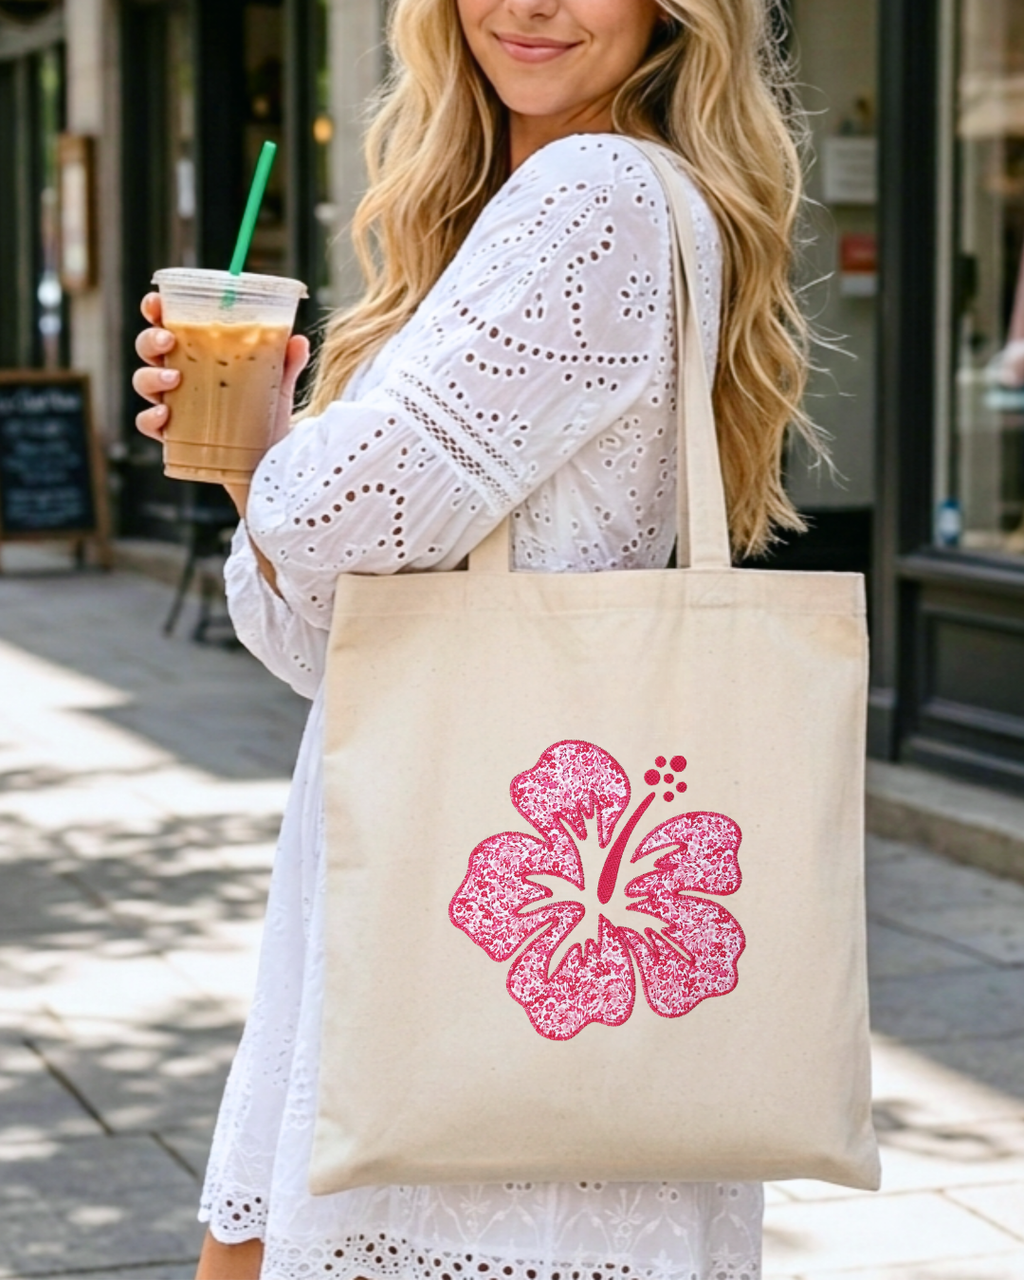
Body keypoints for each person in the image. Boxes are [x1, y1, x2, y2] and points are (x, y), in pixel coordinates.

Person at [134, 0, 819, 1275]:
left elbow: (327, 516)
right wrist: (254, 459)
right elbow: (329, 643)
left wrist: (274, 450)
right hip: (482, 859)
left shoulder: (594, 191)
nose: (530, 4)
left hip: (478, 897)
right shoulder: (576, 199)